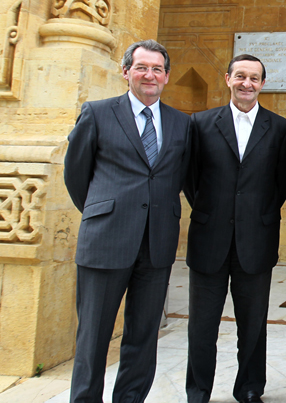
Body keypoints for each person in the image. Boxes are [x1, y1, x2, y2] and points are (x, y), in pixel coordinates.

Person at [64, 40, 191, 403]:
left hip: (157, 244)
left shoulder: (182, 124)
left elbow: (183, 177)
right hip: (105, 241)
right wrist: (101, 212)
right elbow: (76, 176)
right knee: (93, 337)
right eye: (141, 67)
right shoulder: (98, 113)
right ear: (126, 72)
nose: (149, 75)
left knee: (143, 336)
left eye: (156, 69)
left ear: (166, 76)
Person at [183, 54, 286, 403]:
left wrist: (256, 213)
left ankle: (249, 389)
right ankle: (198, 391)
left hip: (256, 241)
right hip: (208, 238)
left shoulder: (280, 128)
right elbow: (190, 177)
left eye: (255, 78)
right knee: (202, 326)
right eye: (240, 76)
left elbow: (283, 181)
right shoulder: (199, 124)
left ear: (263, 83)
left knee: (253, 326)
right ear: (228, 78)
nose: (247, 83)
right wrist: (212, 209)